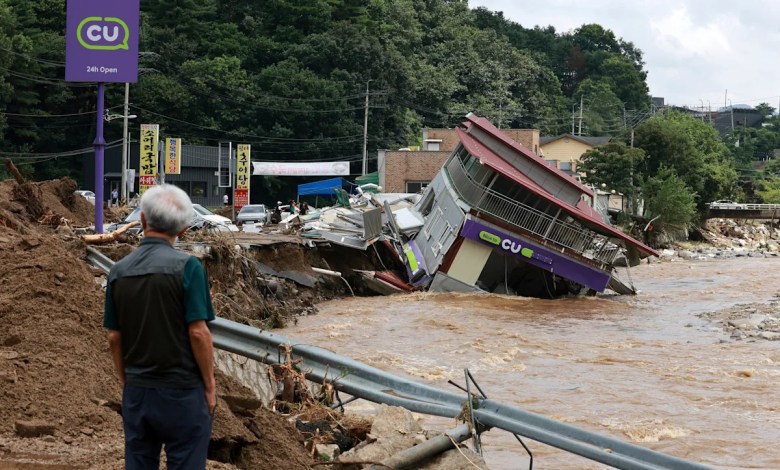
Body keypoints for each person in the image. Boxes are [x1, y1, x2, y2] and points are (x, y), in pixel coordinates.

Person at [104, 184, 216, 470]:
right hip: (183, 393)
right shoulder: (188, 267)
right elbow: (198, 333)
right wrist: (210, 386)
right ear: (184, 229)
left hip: (139, 391)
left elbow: (114, 337)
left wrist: (127, 381)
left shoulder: (118, 271)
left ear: (142, 220)